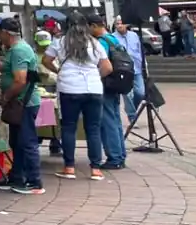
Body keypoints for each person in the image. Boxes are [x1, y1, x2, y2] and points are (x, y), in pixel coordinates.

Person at [42, 11, 110, 180]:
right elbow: (108, 68)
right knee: (93, 129)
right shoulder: (94, 43)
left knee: (69, 127)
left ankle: (69, 167)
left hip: (69, 88)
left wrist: (59, 71)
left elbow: (45, 60)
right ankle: (95, 169)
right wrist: (95, 77)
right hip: (94, 89)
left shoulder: (60, 42)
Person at [0, 17, 43, 195]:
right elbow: (10, 72)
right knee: (16, 141)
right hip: (19, 102)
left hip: (23, 102)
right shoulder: (13, 50)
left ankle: (34, 181)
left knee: (27, 141)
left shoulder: (19, 50)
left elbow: (20, 80)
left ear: (6, 33)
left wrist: (6, 97)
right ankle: (16, 176)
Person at [89, 14, 127, 170]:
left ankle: (114, 157)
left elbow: (101, 64)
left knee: (107, 121)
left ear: (93, 26)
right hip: (116, 84)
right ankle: (120, 155)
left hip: (105, 84)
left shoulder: (101, 43)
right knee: (116, 119)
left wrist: (96, 78)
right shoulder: (113, 39)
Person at [113, 17, 146, 124]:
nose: (119, 25)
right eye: (117, 24)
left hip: (137, 68)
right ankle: (132, 116)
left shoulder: (134, 35)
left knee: (140, 92)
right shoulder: (113, 38)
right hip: (122, 70)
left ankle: (133, 109)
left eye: (121, 23)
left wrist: (144, 64)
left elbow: (140, 50)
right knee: (127, 94)